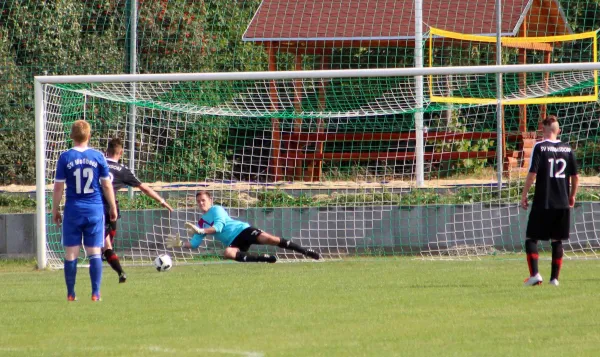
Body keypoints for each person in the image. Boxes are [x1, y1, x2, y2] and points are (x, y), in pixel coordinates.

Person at [52, 120, 118, 301]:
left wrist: (55, 209)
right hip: (95, 209)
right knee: (94, 252)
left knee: (71, 253)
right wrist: (112, 207)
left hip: (73, 210)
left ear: (72, 136)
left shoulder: (65, 157)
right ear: (89, 136)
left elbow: (58, 188)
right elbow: (106, 184)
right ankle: (96, 293)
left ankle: (71, 294)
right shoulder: (98, 156)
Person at [166, 191, 321, 262]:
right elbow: (194, 244)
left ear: (210, 200)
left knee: (271, 239)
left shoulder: (216, 209)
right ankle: (263, 259)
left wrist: (201, 231)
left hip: (243, 231)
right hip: (234, 241)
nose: (201, 203)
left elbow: (219, 227)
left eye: (203, 200)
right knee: (228, 252)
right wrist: (180, 244)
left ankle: (306, 251)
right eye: (198, 201)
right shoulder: (201, 222)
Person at [102, 137, 174, 283]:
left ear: (106, 151)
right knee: (107, 243)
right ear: (121, 152)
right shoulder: (123, 170)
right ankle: (111, 257)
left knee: (105, 245)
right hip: (112, 208)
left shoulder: (97, 164)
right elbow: (144, 188)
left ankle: (118, 269)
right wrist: (162, 200)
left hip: (95, 206)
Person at [520, 115, 579, 287]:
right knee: (557, 240)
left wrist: (524, 194)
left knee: (531, 238)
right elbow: (575, 177)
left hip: (543, 201)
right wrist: (572, 195)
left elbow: (532, 174)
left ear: (543, 130)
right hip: (562, 202)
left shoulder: (539, 147)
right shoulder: (568, 149)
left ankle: (535, 275)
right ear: (558, 131)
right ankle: (554, 279)